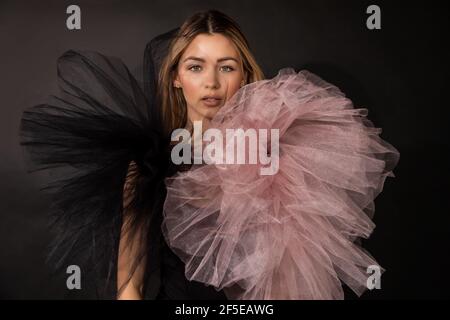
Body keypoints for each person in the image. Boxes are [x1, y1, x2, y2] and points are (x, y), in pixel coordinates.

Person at [19, 10, 399, 300]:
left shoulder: (275, 155)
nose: (212, 83)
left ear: (246, 76)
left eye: (227, 67)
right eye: (196, 67)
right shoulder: (151, 160)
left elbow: (290, 273)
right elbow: (129, 284)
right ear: (176, 77)